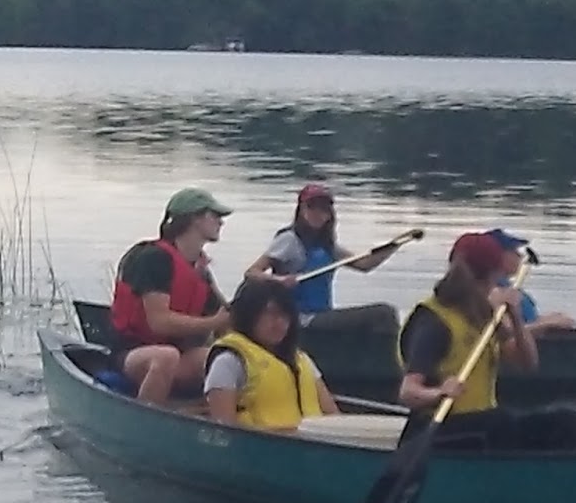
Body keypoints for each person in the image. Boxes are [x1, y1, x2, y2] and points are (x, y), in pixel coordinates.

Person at [395, 231, 576, 451]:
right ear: (491, 276)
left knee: (568, 422)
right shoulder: (433, 321)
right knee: (499, 423)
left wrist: (514, 318)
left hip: (481, 426)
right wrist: (439, 392)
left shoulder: (484, 314)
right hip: (437, 429)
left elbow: (527, 364)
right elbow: (408, 393)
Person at [109, 187, 234, 404]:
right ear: (194, 219)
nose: (220, 222)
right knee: (166, 356)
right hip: (132, 354)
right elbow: (159, 322)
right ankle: (145, 422)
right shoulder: (153, 259)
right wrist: (213, 322)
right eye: (214, 216)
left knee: (224, 360)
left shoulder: (200, 270)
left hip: (178, 354)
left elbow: (223, 319)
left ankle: (218, 424)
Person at [242, 183, 400, 334]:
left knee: (384, 316)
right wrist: (280, 280)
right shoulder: (289, 240)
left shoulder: (328, 246)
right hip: (301, 319)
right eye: (311, 207)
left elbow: (365, 264)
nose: (317, 214)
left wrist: (394, 245)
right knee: (383, 314)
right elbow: (251, 273)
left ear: (329, 215)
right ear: (301, 210)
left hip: (322, 314)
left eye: (323, 209)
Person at [204, 279, 340, 430]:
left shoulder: (302, 360)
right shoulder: (229, 362)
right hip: (259, 447)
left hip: (313, 445)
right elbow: (223, 430)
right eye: (270, 314)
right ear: (249, 316)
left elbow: (332, 414)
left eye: (285, 315)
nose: (279, 323)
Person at [483, 227, 576, 336]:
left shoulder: (506, 286)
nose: (520, 256)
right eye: (514, 251)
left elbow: (525, 322)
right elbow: (508, 333)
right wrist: (547, 324)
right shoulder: (492, 292)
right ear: (499, 255)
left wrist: (546, 319)